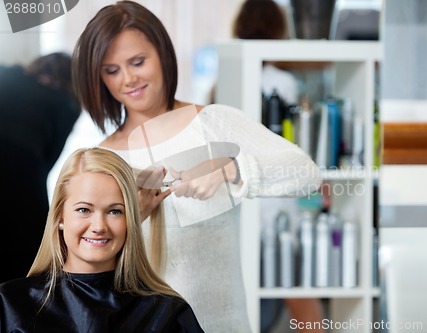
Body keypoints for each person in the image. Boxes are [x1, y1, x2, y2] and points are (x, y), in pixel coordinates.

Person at [72, 1, 322, 332]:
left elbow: (306, 174)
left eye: (137, 62)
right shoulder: (104, 158)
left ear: (162, 54)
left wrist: (229, 169)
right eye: (112, 70)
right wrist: (133, 218)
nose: (128, 79)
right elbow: (87, 265)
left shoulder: (213, 124)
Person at [0, 147, 205, 332]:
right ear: (60, 217)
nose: (99, 227)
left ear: (131, 219)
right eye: (83, 210)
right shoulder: (10, 305)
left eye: (115, 211)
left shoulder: (168, 314)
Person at [232, 1, 327, 333]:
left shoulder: (230, 76)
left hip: (240, 198)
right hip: (276, 197)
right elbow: (292, 147)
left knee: (249, 295)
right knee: (296, 288)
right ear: (278, 29)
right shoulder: (282, 82)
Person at [0, 52, 81, 283]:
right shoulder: (66, 105)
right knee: (22, 274)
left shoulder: (6, 74)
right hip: (22, 189)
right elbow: (49, 160)